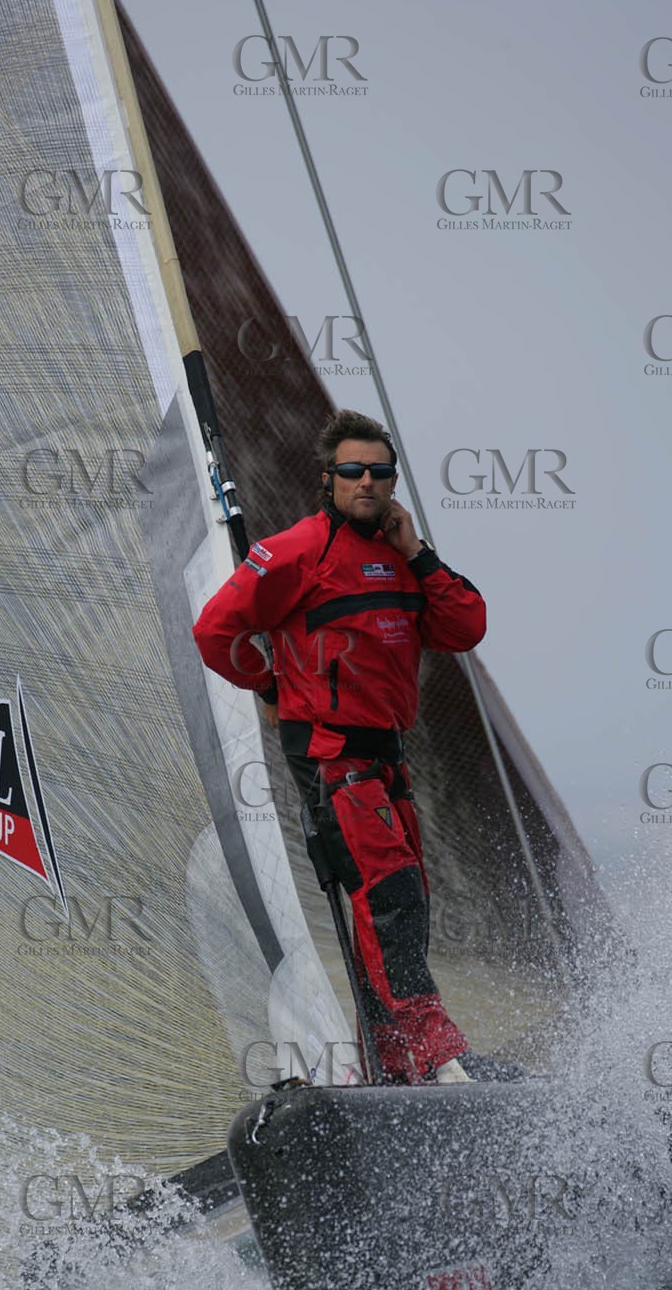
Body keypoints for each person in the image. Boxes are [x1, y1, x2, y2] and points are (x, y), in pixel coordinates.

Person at [192, 410, 486, 1085]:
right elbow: (213, 631)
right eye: (351, 471)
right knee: (391, 897)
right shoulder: (296, 550)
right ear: (327, 479)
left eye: (380, 472)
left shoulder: (400, 556)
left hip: (388, 757)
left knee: (402, 904)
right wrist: (267, 685)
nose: (366, 483)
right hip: (331, 756)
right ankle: (432, 1050)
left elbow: (465, 626)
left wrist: (417, 553)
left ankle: (391, 1059)